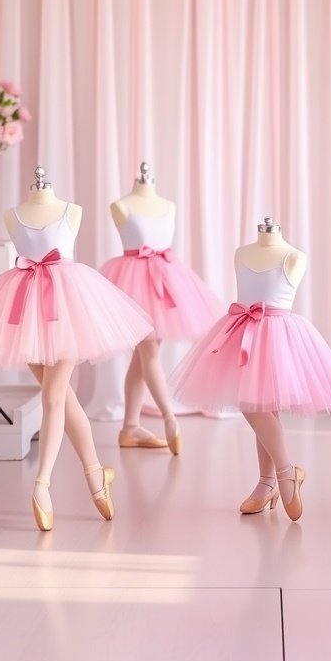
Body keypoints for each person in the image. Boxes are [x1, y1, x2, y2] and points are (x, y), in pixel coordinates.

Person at [0, 166, 153, 531]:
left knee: (54, 395)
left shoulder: (72, 210)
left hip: (71, 308)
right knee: (61, 396)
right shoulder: (13, 215)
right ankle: (95, 474)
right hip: (25, 309)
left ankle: (42, 485)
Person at [169, 216, 331, 521]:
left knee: (261, 405)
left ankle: (276, 477)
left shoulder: (294, 256)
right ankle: (277, 477)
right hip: (241, 331)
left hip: (279, 335)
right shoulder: (241, 253)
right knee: (255, 404)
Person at [101, 163, 223, 453]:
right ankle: (169, 418)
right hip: (131, 284)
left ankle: (129, 427)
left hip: (166, 284)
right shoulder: (120, 205)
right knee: (149, 353)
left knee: (142, 358)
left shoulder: (168, 206)